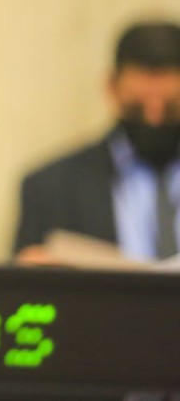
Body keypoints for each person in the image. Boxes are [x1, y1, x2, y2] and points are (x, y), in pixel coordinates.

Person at [13, 21, 180, 264]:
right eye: (138, 107)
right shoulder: (52, 188)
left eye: (170, 109)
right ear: (112, 87)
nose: (154, 117)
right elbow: (20, 293)